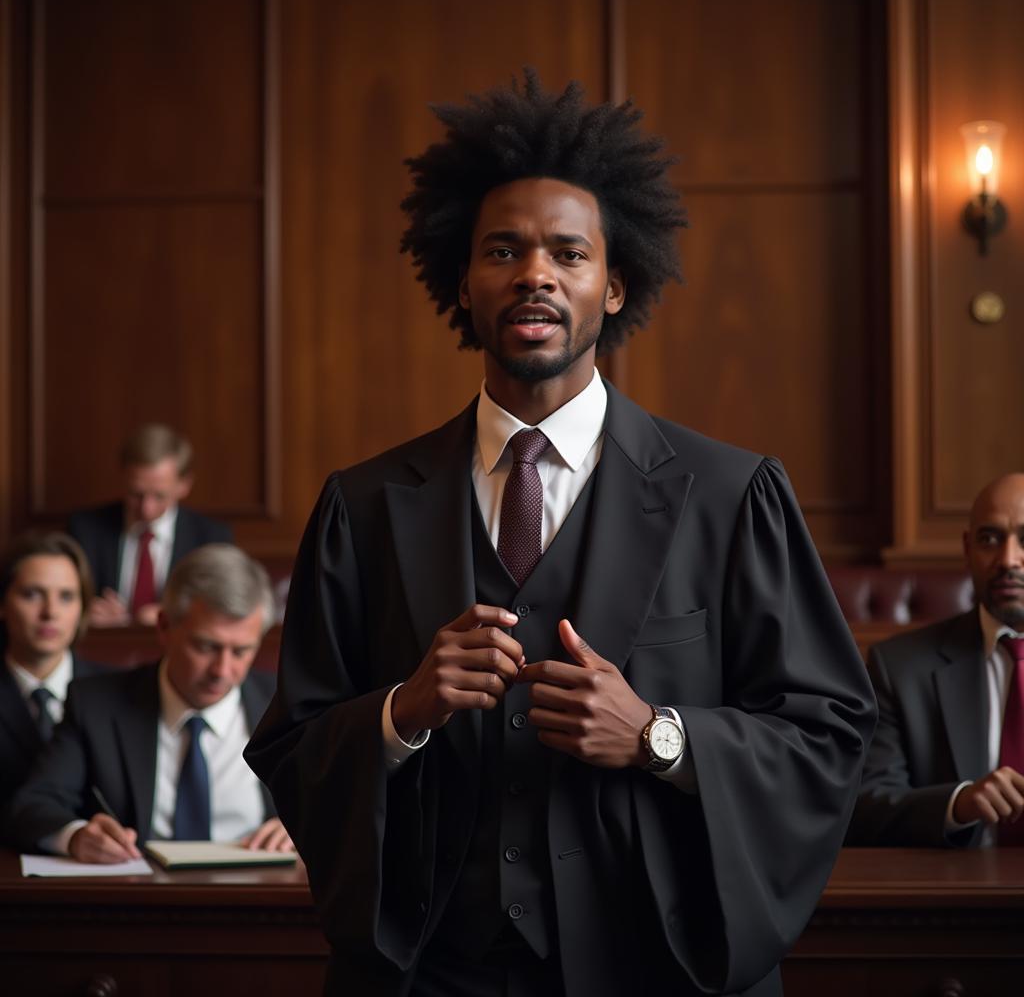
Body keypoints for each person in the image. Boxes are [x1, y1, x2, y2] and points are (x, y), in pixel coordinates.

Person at [245, 72, 875, 997]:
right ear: (462, 281)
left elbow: (829, 738)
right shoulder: (367, 504)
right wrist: (401, 713)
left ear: (615, 287)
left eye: (568, 253)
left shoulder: (734, 496)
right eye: (504, 249)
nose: (535, 271)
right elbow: (293, 749)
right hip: (430, 972)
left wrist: (658, 735)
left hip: (653, 970)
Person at [5, 543, 292, 863]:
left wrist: (302, 826)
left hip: (262, 898)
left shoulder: (286, 706)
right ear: (164, 628)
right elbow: (34, 805)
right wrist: (76, 837)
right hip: (141, 899)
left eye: (241, 651)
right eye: (206, 647)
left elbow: (344, 803)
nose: (222, 671)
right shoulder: (96, 704)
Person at [848, 472, 1024, 847]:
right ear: (967, 548)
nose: (1008, 559)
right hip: (957, 896)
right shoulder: (899, 667)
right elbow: (863, 804)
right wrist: (958, 804)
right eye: (990, 539)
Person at [68, 423, 233, 628]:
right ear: (123, 478)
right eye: (136, 494)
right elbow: (69, 599)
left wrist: (171, 614)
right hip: (105, 647)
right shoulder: (86, 528)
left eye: (159, 495)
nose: (146, 508)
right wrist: (85, 611)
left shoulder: (212, 537)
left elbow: (221, 609)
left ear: (184, 485)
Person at [0, 532, 107, 811]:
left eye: (66, 596)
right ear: (3, 603)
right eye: (32, 594)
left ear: (83, 607)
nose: (50, 612)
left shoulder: (113, 692)